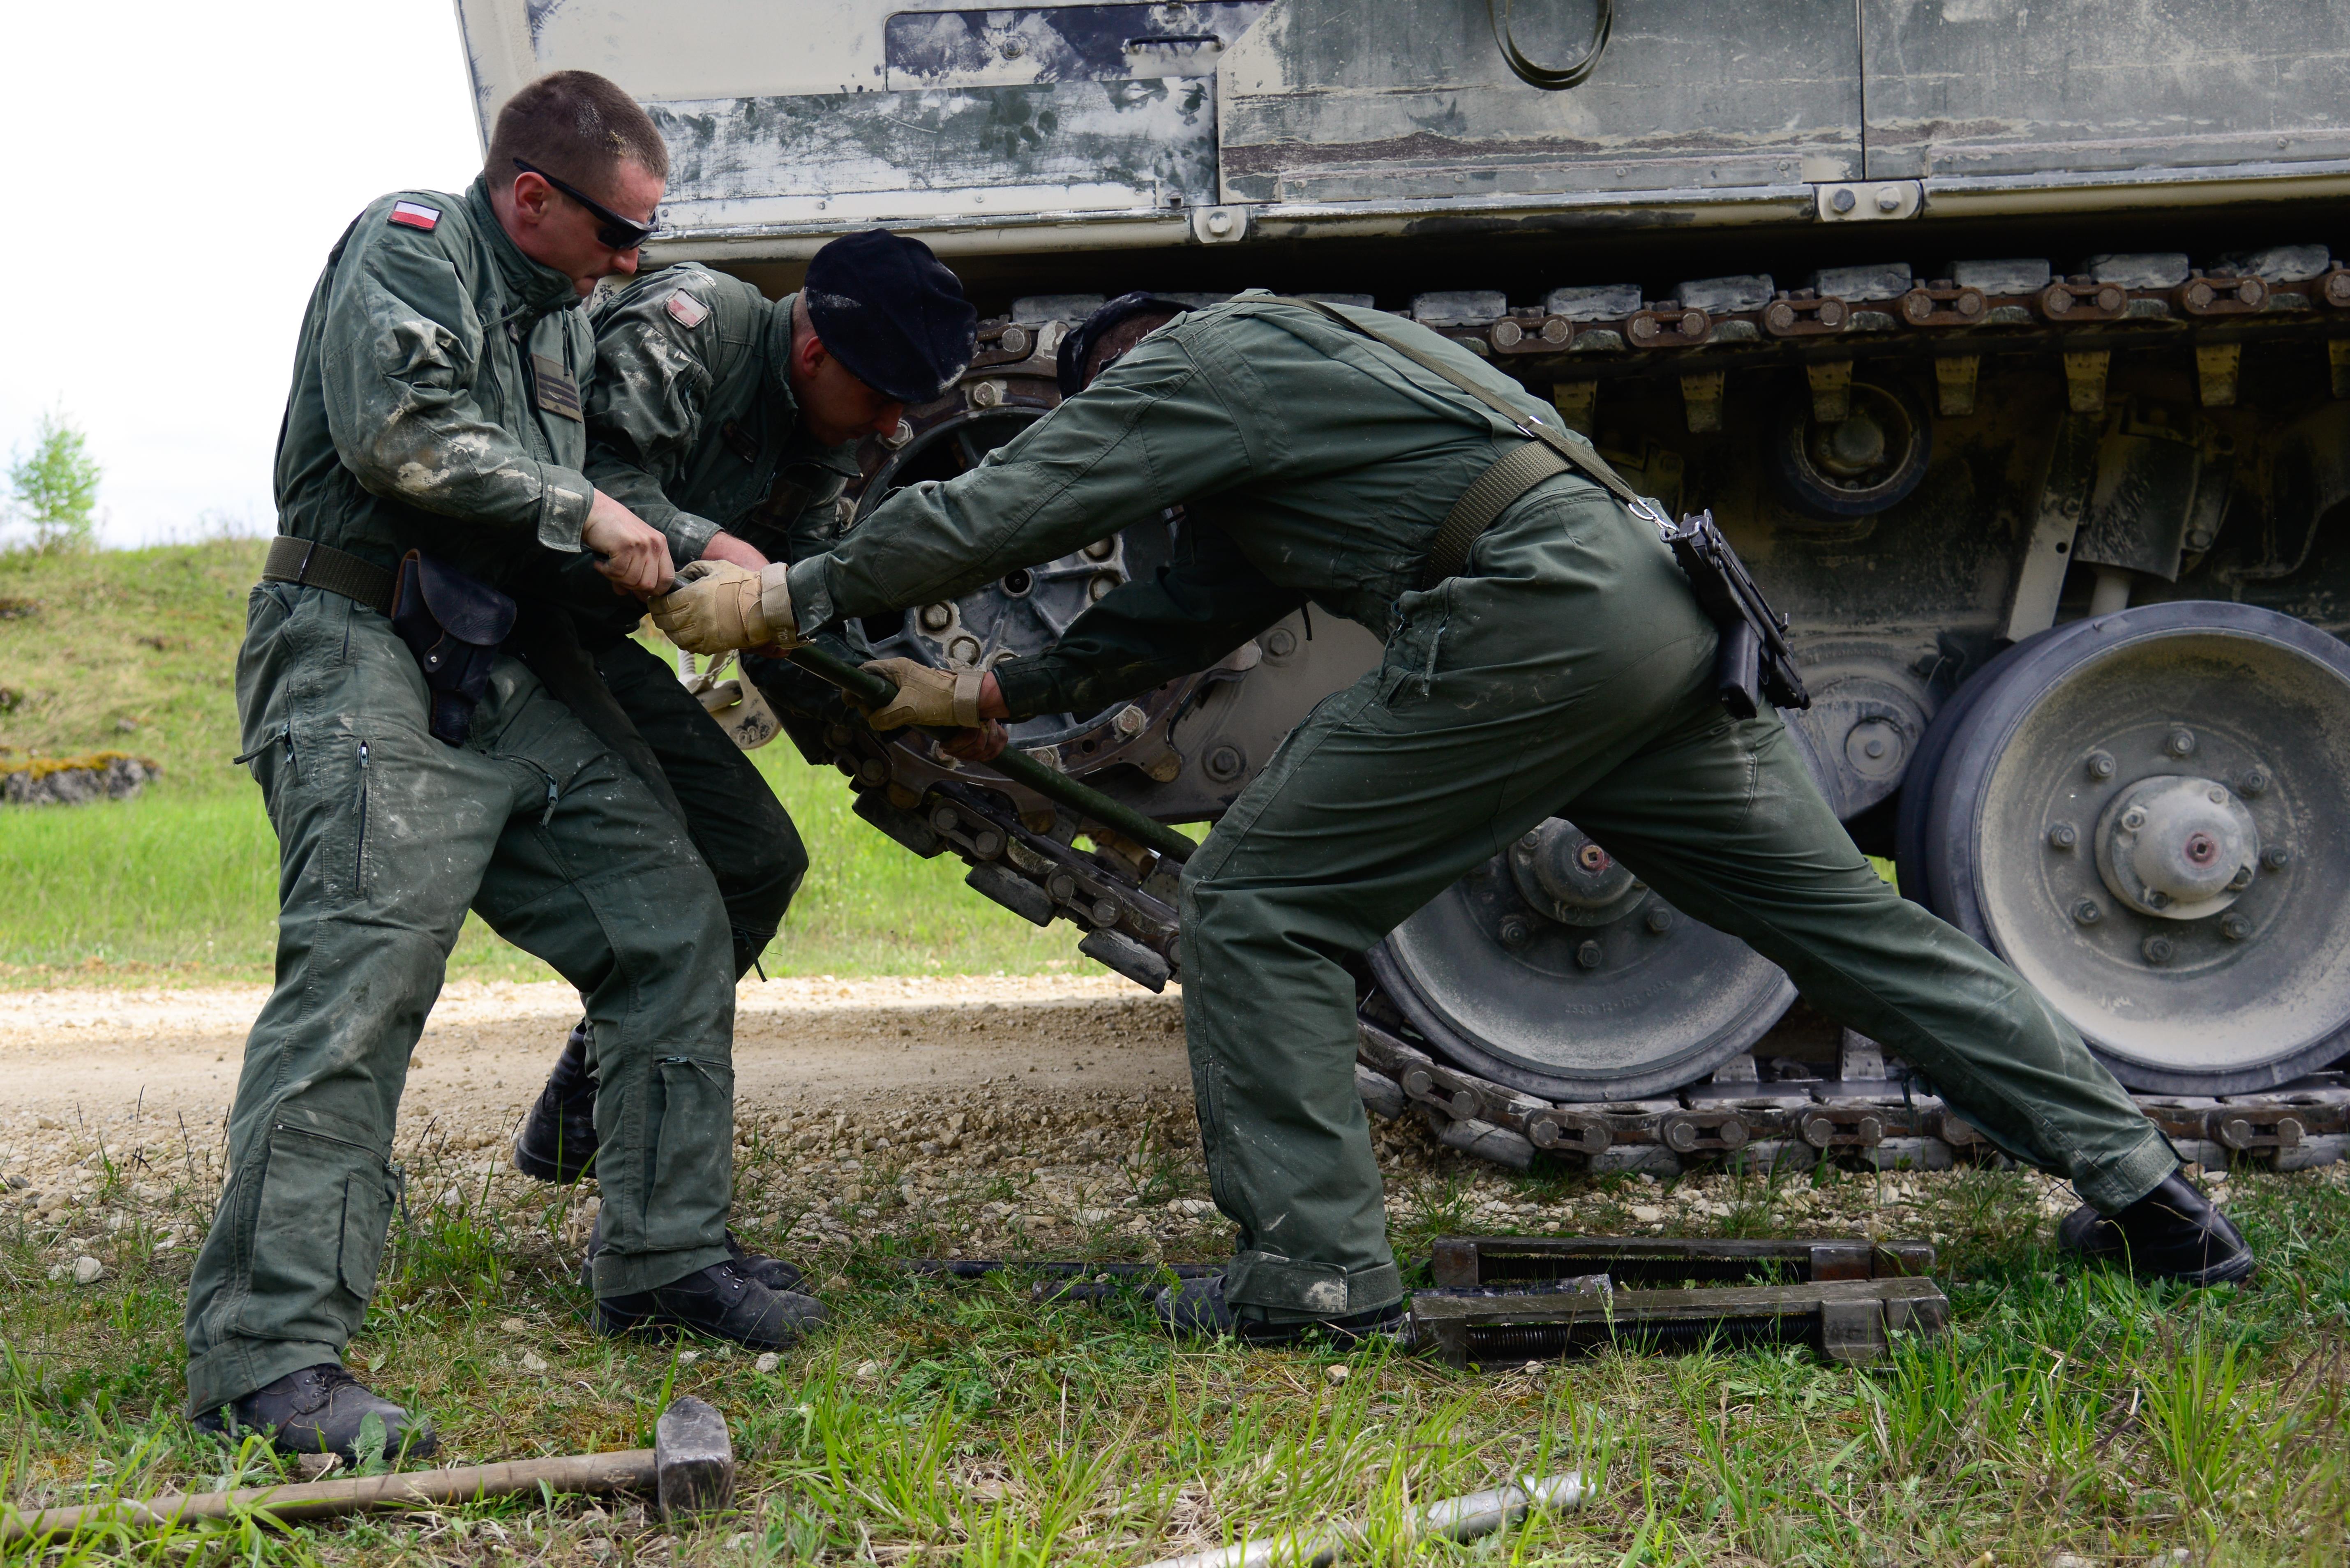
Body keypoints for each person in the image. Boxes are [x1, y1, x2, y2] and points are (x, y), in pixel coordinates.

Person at [649, 290, 2255, 1343]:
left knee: (1258, 904)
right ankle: (2151, 1198)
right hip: (1658, 609)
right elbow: (1188, 606)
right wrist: (994, 694)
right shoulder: (1328, 367)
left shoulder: (1199, 363)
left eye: (1117, 426)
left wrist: (795, 594)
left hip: (1531, 619)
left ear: (1125, 370)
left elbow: (1011, 499)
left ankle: (1314, 1275)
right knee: (1844, 925)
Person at [183, 71, 822, 1464]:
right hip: (358, 639)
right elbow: (403, 436)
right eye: (618, 231)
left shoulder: (562, 316)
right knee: (362, 983)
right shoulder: (411, 244)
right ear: (531, 196)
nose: (636, 264)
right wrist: (581, 508)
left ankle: (662, 1257)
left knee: (671, 923)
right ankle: (266, 1359)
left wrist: (696, 546)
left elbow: (594, 496)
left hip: (495, 657)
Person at [509, 232, 976, 1240]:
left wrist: (900, 711)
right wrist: (719, 549)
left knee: (757, 860)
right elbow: (581, 472)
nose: (890, 426)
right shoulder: (696, 323)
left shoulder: (823, 434)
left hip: (586, 643)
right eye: (881, 395)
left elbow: (789, 619)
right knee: (671, 893)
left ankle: (587, 1092)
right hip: (498, 621)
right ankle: (653, 1218)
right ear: (814, 352)